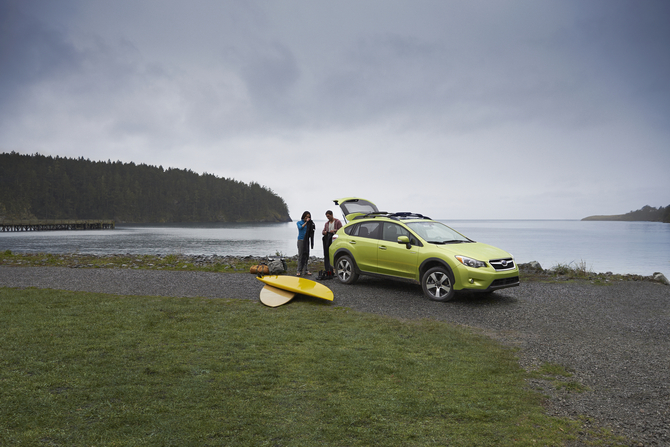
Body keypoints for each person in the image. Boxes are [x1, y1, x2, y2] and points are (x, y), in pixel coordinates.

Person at [296, 211, 315, 276]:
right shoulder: (299, 222)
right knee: (301, 255)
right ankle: (299, 270)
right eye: (306, 217)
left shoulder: (309, 223)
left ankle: (306, 270)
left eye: (308, 217)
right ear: (304, 216)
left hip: (306, 240)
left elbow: (312, 229)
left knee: (306, 255)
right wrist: (306, 222)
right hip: (301, 240)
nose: (307, 218)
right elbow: (300, 227)